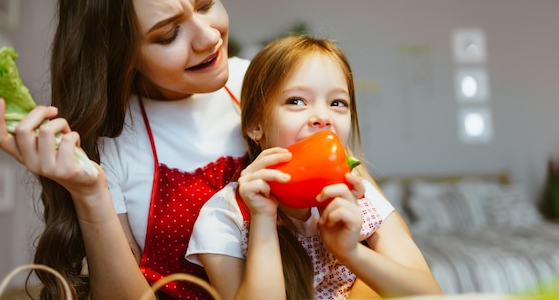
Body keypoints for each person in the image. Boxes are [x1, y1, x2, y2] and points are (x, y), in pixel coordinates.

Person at [0, 0, 407, 300]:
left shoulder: (276, 89)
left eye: (205, 3)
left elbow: (379, 238)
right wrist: (89, 193)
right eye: (169, 33)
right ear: (120, 56)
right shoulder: (110, 144)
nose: (208, 37)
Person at [186, 35, 443, 299]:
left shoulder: (360, 196)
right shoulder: (224, 216)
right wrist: (262, 220)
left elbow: (430, 294)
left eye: (337, 103)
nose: (323, 117)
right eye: (296, 100)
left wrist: (351, 253)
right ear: (255, 126)